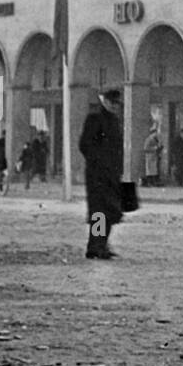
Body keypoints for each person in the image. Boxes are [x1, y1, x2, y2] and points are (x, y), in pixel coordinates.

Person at [79, 89, 124, 260]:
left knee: (112, 211)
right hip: (97, 175)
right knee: (99, 212)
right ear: (104, 101)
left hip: (112, 175)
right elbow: (84, 144)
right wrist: (98, 163)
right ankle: (95, 246)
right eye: (112, 102)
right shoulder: (95, 118)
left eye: (117, 103)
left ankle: (102, 243)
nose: (115, 106)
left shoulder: (114, 121)